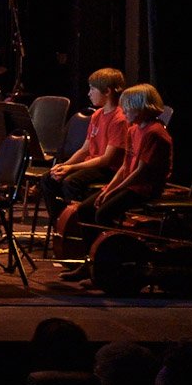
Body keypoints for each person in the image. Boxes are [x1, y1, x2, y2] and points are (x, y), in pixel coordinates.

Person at [60, 84, 173, 280]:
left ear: (142, 107)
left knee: (103, 214)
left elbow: (140, 172)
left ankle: (111, 265)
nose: (125, 112)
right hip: (129, 184)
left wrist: (114, 191)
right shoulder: (133, 130)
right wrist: (108, 189)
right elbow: (124, 167)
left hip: (144, 188)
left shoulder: (155, 133)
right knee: (86, 209)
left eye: (128, 108)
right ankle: (92, 261)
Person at [42, 67, 128, 218]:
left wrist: (71, 168)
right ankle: (60, 224)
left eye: (92, 89)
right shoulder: (97, 115)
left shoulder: (119, 119)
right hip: (92, 165)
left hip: (108, 169)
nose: (89, 93)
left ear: (107, 92)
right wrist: (64, 165)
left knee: (71, 182)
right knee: (48, 178)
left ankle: (76, 225)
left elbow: (107, 159)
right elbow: (84, 150)